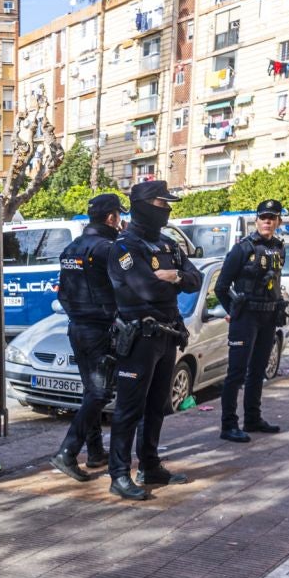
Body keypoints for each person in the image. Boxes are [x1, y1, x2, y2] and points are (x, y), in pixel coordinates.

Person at [103, 180, 198, 500]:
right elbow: (146, 288)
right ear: (143, 205)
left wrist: (175, 277)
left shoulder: (169, 244)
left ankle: (150, 465)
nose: (167, 209)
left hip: (167, 335)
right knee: (129, 409)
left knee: (156, 407)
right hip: (140, 337)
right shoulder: (125, 247)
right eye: (161, 204)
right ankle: (118, 474)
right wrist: (174, 281)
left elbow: (195, 279)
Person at [48, 193, 124, 482]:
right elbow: (125, 288)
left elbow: (64, 293)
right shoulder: (109, 248)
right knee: (100, 392)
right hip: (100, 330)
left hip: (77, 327)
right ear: (111, 218)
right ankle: (67, 452)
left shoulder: (71, 248)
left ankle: (94, 452)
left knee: (90, 390)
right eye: (119, 216)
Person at [212, 199, 289, 444]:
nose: (267, 221)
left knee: (258, 371)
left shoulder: (279, 247)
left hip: (268, 316)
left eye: (272, 218)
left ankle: (253, 418)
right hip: (246, 318)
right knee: (236, 373)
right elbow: (221, 287)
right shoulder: (242, 249)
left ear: (278, 221)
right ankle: (228, 425)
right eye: (263, 217)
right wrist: (233, 311)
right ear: (256, 220)